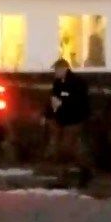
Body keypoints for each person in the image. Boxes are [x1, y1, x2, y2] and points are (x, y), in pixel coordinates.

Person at [44, 58, 93, 186]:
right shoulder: (58, 83)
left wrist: (62, 103)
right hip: (62, 120)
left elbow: (79, 102)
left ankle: (68, 177)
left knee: (66, 148)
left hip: (74, 120)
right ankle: (81, 171)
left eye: (57, 70)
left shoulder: (77, 83)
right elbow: (52, 100)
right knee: (67, 149)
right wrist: (48, 115)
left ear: (64, 69)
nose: (55, 72)